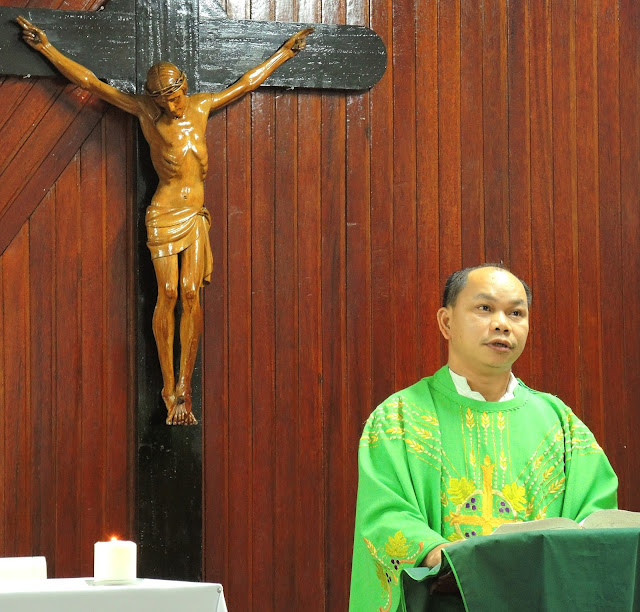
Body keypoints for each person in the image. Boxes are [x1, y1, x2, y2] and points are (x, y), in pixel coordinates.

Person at [17, 16, 312, 425]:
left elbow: (246, 83)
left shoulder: (202, 106)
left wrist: (285, 53)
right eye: (162, 101)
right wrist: (46, 48)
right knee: (168, 293)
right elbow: (91, 84)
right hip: (163, 212)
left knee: (191, 293)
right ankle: (166, 385)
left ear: (184, 87)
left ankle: (183, 389)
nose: (171, 107)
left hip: (194, 215)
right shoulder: (144, 112)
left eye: (174, 97)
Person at [349, 264, 618, 611]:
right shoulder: (399, 418)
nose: (502, 323)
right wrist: (450, 559)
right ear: (446, 322)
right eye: (485, 308)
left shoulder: (561, 424)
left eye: (516, 313)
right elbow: (385, 514)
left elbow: (596, 518)